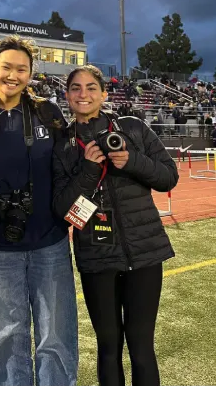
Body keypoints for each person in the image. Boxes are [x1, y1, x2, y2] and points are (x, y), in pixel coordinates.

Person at [51, 65, 179, 386]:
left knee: (141, 347)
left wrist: (131, 161)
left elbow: (168, 176)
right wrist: (89, 170)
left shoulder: (132, 128)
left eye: (91, 87)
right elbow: (61, 208)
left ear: (104, 94)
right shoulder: (62, 144)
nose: (84, 94)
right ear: (67, 95)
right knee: (108, 346)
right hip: (97, 256)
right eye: (76, 88)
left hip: (145, 254)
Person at [0, 35, 79, 386]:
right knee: (6, 338)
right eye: (7, 67)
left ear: (32, 73)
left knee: (56, 336)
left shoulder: (47, 111)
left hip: (50, 243)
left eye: (22, 68)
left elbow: (68, 170)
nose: (14, 75)